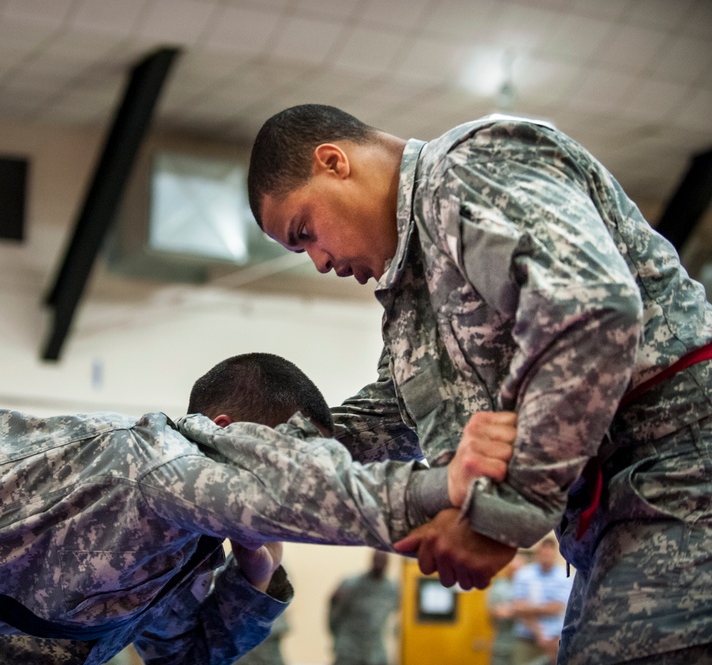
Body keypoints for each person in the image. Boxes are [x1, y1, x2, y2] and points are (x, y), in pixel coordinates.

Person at [246, 103, 712, 663]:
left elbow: (591, 311)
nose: (319, 263)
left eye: (305, 233)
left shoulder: (467, 166)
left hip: (683, 470)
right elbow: (381, 424)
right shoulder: (413, 301)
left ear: (333, 162)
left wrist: (499, 517)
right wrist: (235, 461)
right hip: (615, 517)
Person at [0, 352, 514, 665]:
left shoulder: (185, 548)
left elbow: (189, 657)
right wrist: (438, 495)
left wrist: (253, 570)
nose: (284, 482)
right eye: (282, 459)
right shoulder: (145, 458)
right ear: (222, 435)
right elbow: (306, 488)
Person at [327, 550, 399, 665]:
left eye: (383, 560)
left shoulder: (391, 589)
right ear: (371, 560)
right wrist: (336, 638)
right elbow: (334, 613)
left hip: (375, 653)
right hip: (349, 651)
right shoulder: (351, 585)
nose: (380, 563)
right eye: (377, 559)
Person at [509, 536, 573, 665]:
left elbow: (556, 609)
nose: (546, 556)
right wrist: (540, 633)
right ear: (538, 553)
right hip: (526, 639)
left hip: (554, 641)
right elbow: (517, 607)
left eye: (550, 554)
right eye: (544, 553)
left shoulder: (563, 576)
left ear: (555, 554)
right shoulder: (523, 574)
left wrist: (528, 608)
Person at [485, 550, 528, 665]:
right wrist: (521, 610)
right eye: (514, 568)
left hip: (525, 644)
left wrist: (512, 609)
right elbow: (496, 612)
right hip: (502, 644)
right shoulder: (499, 587)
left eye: (519, 569)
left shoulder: (528, 587)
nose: (517, 572)